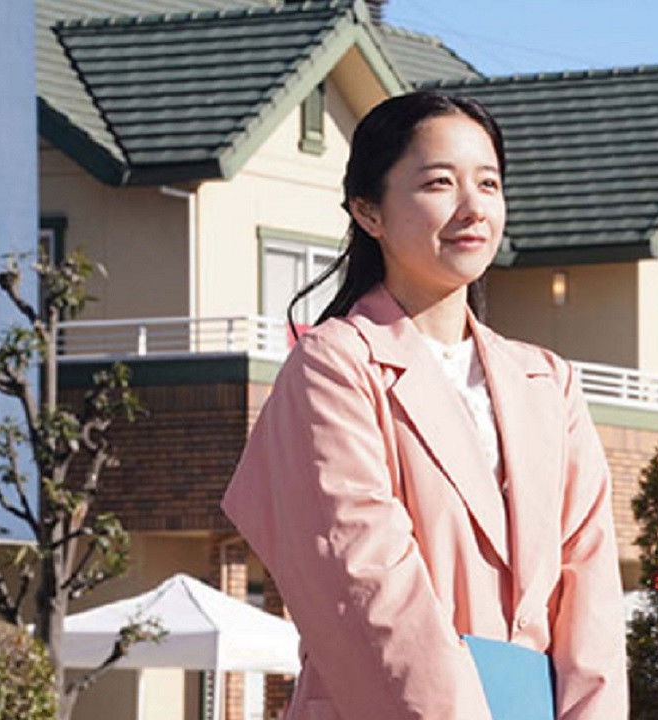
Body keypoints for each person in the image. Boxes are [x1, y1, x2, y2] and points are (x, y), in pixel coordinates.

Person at [221, 91, 627, 720]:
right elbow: (369, 591)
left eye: (489, 184)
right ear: (369, 211)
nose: (473, 208)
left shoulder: (547, 382)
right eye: (440, 183)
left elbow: (591, 596)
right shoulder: (335, 366)